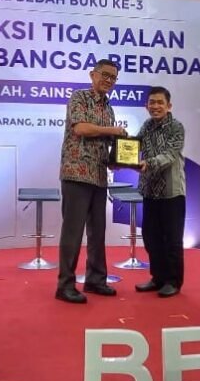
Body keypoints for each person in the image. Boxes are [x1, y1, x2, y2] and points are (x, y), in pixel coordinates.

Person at [55, 59, 126, 304]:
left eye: (113, 77)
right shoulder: (80, 98)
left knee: (98, 232)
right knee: (73, 232)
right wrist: (113, 131)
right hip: (77, 173)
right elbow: (81, 129)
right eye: (105, 75)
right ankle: (65, 285)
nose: (108, 80)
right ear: (92, 75)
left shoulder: (109, 109)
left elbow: (105, 143)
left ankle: (95, 280)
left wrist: (116, 159)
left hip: (98, 175)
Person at [134, 87, 186, 298]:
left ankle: (173, 281)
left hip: (172, 192)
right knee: (151, 237)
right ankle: (158, 278)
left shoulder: (176, 127)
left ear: (168, 106)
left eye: (159, 102)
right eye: (152, 102)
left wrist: (149, 163)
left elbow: (170, 155)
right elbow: (133, 146)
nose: (155, 106)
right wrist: (118, 158)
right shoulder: (146, 126)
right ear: (146, 106)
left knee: (172, 239)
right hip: (150, 191)